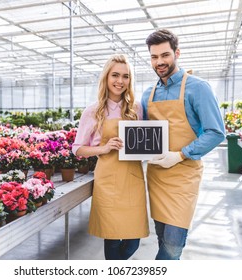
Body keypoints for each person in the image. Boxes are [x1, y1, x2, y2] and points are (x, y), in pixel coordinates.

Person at [141, 29, 226, 260]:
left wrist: (179, 155)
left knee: (171, 247)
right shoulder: (148, 94)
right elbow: (142, 133)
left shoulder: (198, 88)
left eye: (165, 55)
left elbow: (216, 132)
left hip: (184, 176)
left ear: (176, 53)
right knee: (161, 238)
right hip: (157, 176)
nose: (160, 62)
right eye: (154, 57)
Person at [72, 54, 149, 260]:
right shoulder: (93, 111)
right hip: (108, 180)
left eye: (125, 76)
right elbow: (77, 148)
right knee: (113, 238)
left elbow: (143, 141)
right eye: (115, 75)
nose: (120, 81)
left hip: (133, 178)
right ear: (106, 77)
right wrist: (103, 149)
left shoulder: (136, 109)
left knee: (134, 240)